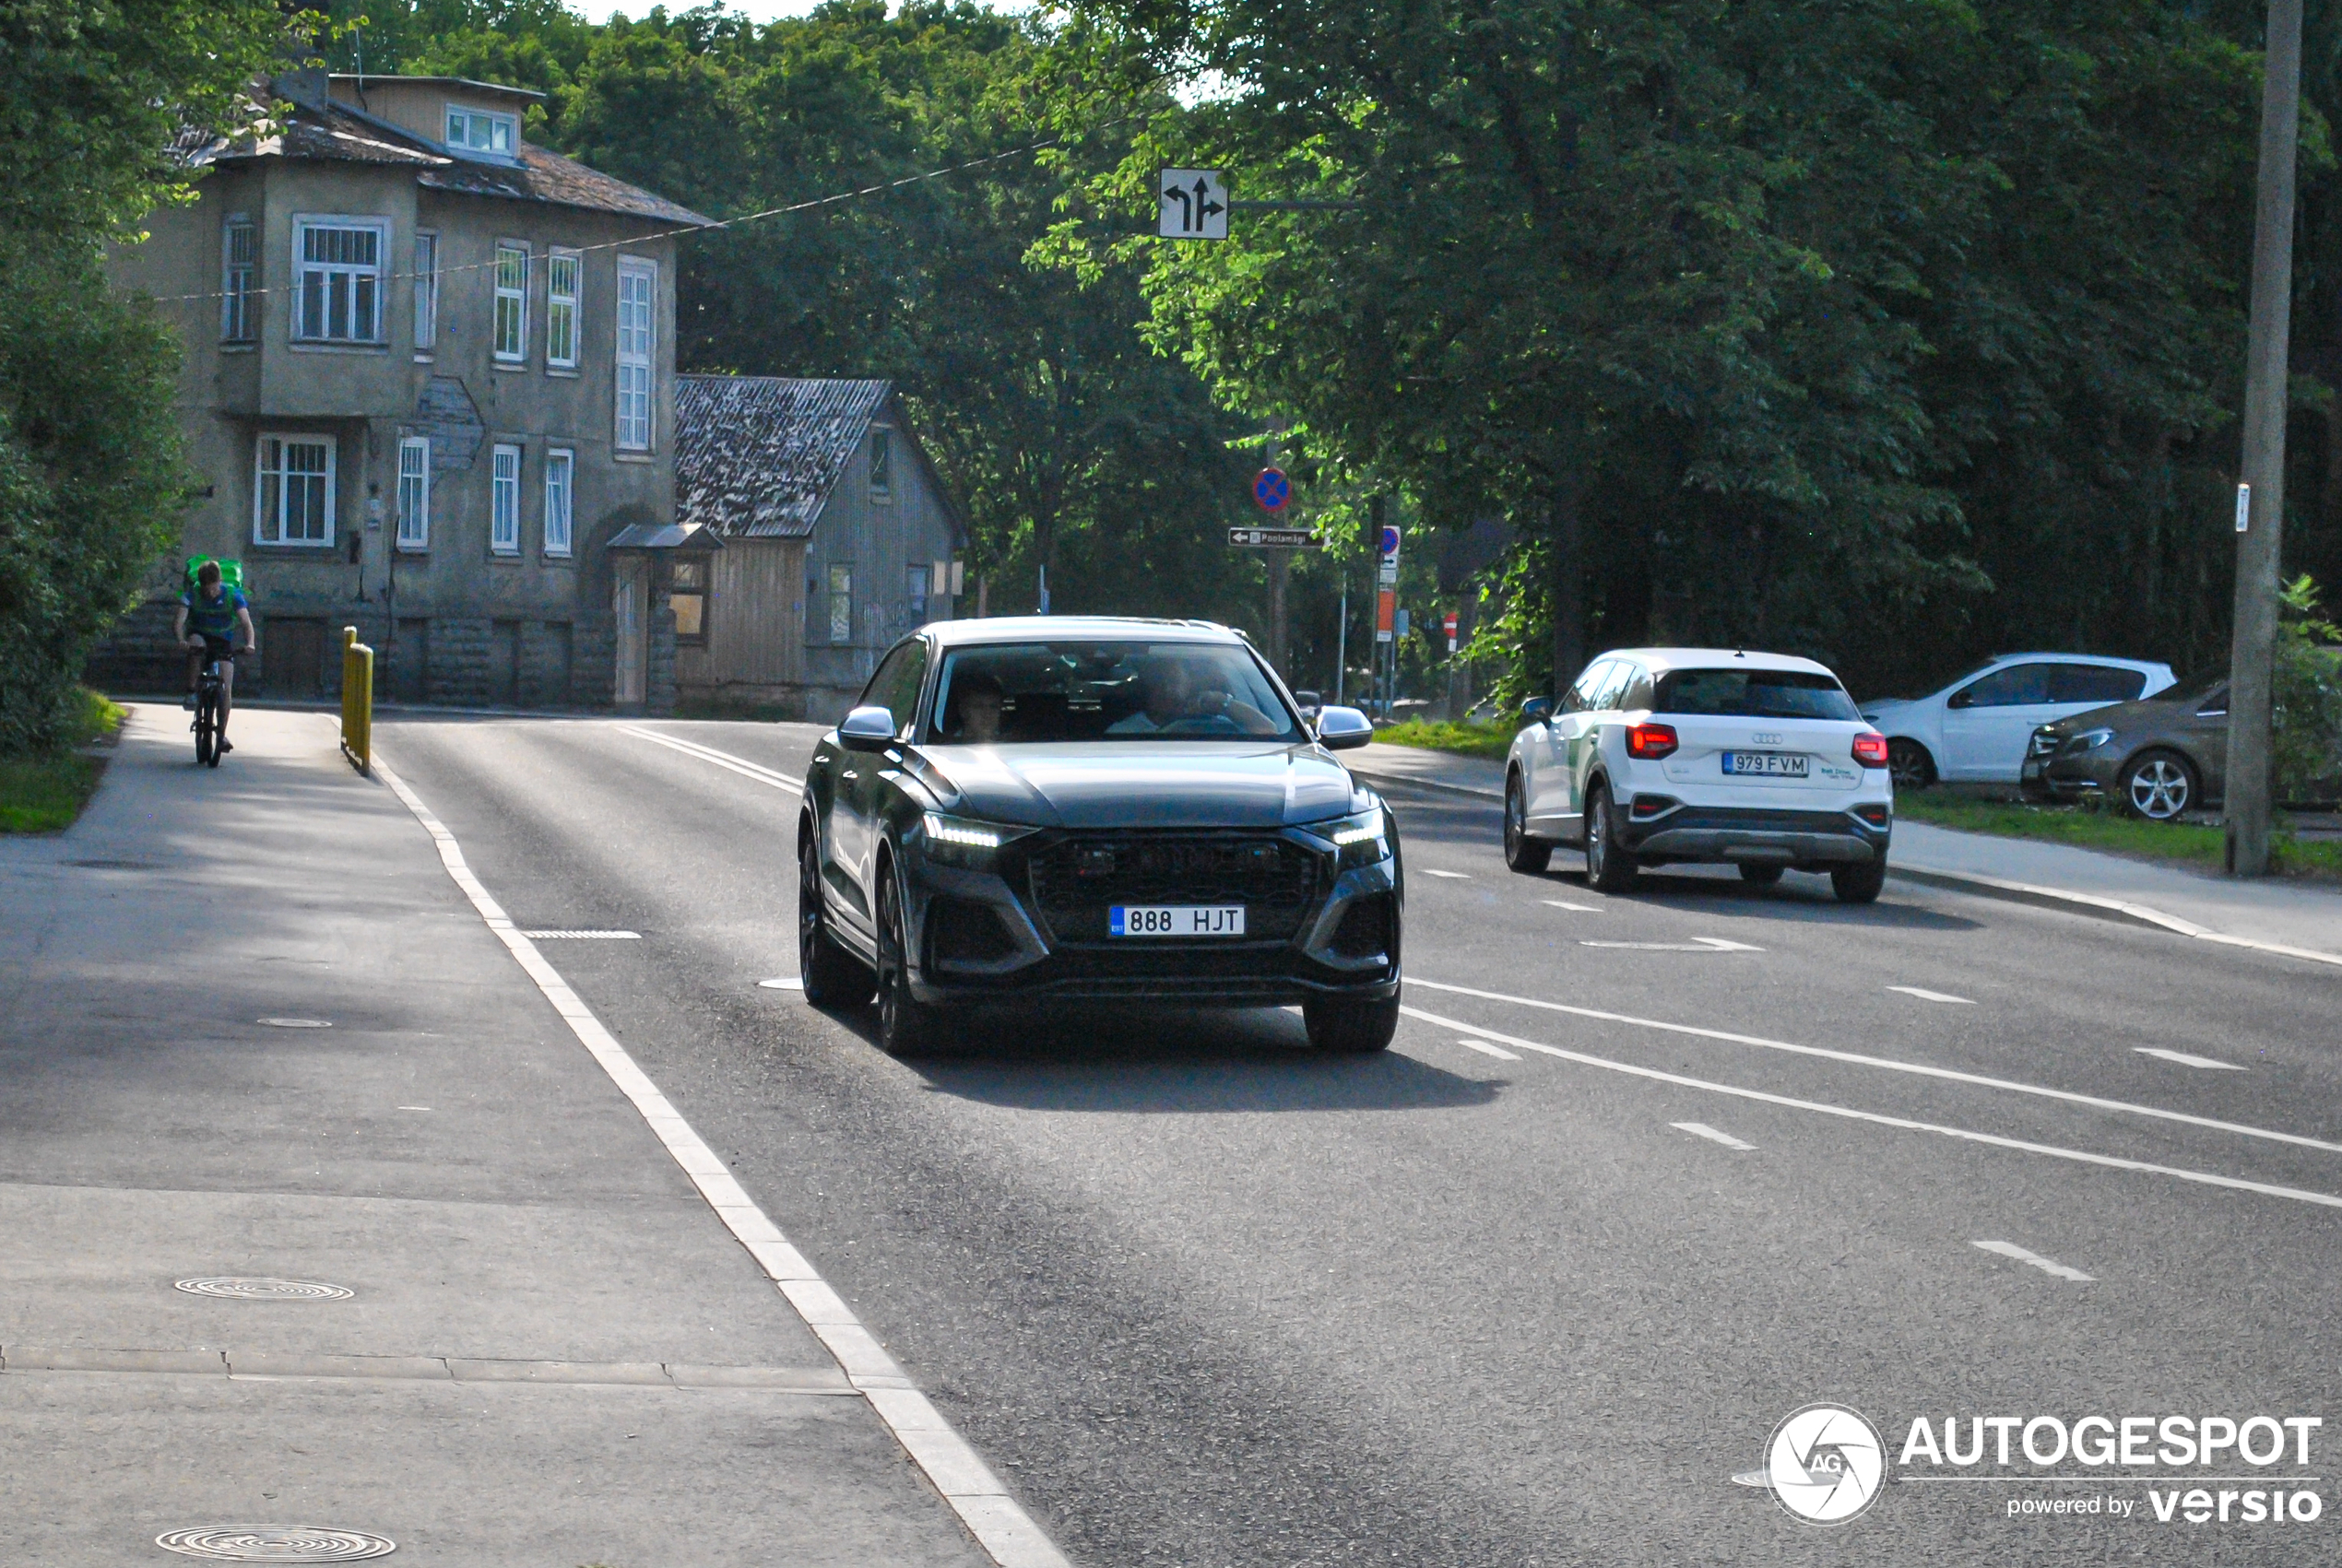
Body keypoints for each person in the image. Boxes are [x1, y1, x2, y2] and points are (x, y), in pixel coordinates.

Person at [174, 561, 256, 754]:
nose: (211, 593)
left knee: (226, 687)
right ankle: (192, 691)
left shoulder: (232, 595)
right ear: (200, 585)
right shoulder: (191, 595)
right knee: (197, 645)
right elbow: (179, 621)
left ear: (220, 581)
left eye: (214, 587)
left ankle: (221, 735)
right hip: (200, 635)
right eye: (207, 588)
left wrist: (250, 643)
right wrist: (180, 639)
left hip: (222, 641)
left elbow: (246, 623)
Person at [1106, 653, 1281, 737]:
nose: (1168, 690)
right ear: (1146, 688)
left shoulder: (1217, 725)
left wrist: (1224, 703)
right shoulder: (1123, 732)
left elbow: (1271, 731)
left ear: (1189, 685)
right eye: (1159, 683)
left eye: (1174, 682)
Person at [944, 670, 1005, 743]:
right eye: (979, 707)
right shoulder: (946, 747)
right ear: (963, 710)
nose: (987, 714)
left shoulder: (1013, 745)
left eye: (993, 707)